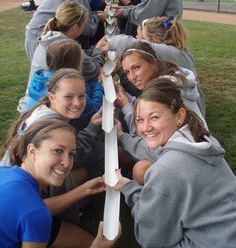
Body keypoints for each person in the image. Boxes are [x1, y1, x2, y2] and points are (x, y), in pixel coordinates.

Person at [111, 78, 236, 248]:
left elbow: (151, 239)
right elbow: (150, 151)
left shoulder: (166, 170)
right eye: (140, 120)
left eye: (154, 117)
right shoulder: (198, 140)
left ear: (179, 116)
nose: (145, 127)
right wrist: (122, 136)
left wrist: (130, 189)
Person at [0, 119, 120, 248]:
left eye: (71, 154)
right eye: (58, 151)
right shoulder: (36, 214)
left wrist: (85, 190)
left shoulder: (4, 172)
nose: (67, 163)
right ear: (32, 151)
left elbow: (27, 211)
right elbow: (33, 213)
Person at [97, 15, 205, 116]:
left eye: (141, 37)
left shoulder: (167, 51)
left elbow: (123, 42)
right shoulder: (176, 51)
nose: (137, 39)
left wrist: (108, 43)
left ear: (154, 40)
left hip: (188, 115)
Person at [19, 1, 105, 113]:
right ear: (75, 27)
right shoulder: (67, 49)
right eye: (84, 23)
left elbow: (84, 55)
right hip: (45, 112)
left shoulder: (50, 38)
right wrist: (99, 50)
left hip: (31, 107)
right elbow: (93, 71)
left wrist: (95, 51)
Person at [115, 41, 206, 134]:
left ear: (153, 64)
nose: (132, 77)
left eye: (136, 67)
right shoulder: (170, 79)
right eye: (127, 72)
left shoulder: (163, 92)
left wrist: (125, 106)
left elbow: (144, 136)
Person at [25, 39, 103, 131]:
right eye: (81, 60)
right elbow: (95, 109)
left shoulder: (42, 79)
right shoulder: (67, 87)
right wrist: (99, 82)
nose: (77, 102)